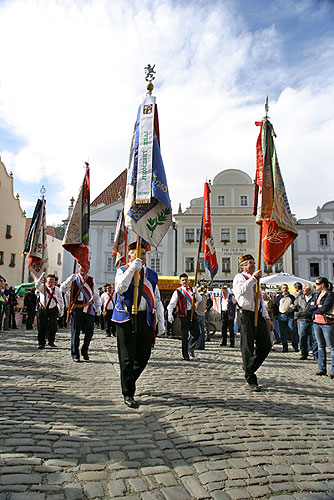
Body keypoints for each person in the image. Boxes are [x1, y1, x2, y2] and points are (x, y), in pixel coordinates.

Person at [112, 241, 165, 408]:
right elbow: (120, 288)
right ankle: (128, 392)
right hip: (126, 317)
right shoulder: (122, 270)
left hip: (145, 318)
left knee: (143, 356)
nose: (141, 257)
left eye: (143, 254)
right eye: (138, 254)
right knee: (127, 358)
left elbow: (156, 299)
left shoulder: (151, 274)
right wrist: (132, 269)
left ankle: (128, 380)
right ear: (130, 255)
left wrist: (161, 321)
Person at [233, 254, 273, 391]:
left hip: (258, 314)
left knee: (266, 345)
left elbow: (260, 300)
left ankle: (249, 367)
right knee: (247, 346)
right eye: (250, 263)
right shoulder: (239, 278)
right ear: (243, 266)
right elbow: (240, 292)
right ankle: (251, 378)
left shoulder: (256, 280)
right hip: (245, 314)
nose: (253, 265)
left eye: (254, 262)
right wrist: (253, 279)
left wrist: (267, 317)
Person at [61, 264, 101, 362]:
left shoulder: (91, 280)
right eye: (81, 267)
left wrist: (98, 306)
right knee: (75, 332)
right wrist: (69, 280)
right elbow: (62, 289)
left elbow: (95, 294)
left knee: (89, 331)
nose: (83, 269)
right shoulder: (74, 279)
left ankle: (84, 350)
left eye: (85, 267)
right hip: (76, 308)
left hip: (88, 307)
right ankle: (75, 353)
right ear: (78, 268)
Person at [167, 273, 202, 360]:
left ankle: (190, 347)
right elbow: (171, 304)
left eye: (186, 280)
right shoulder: (178, 291)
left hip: (192, 314)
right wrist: (169, 314)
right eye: (183, 280)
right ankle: (185, 354)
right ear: (180, 281)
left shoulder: (191, 289)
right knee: (185, 335)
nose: (185, 282)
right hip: (183, 315)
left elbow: (200, 299)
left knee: (197, 333)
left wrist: (196, 292)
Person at [309, 277, 334, 378]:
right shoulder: (316, 294)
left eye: (317, 284)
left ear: (323, 284)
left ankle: (333, 369)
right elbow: (309, 307)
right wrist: (317, 307)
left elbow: (325, 308)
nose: (316, 285)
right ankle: (321, 368)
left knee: (331, 347)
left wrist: (316, 307)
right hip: (316, 322)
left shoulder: (330, 295)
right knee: (320, 346)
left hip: (327, 323)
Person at [35, 273, 64, 349]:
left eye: (52, 280)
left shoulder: (57, 289)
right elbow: (37, 285)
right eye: (49, 280)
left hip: (53, 309)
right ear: (46, 280)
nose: (51, 281)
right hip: (43, 308)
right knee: (41, 326)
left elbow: (60, 300)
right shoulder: (42, 287)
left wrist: (61, 309)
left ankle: (51, 341)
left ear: (55, 281)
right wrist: (41, 277)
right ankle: (41, 343)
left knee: (53, 326)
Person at [274, 284, 298, 352]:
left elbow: (295, 305)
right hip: (281, 315)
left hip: (290, 314)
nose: (285, 289)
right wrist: (276, 314)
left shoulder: (291, 297)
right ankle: (285, 347)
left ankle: (295, 346)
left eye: (286, 288)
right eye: (283, 288)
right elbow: (275, 306)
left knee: (292, 331)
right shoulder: (278, 297)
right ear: (281, 289)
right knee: (282, 332)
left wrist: (293, 307)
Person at [294, 284, 315, 360]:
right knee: (302, 337)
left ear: (309, 290)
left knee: (314, 337)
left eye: (305, 289)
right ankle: (303, 353)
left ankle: (315, 354)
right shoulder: (300, 297)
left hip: (312, 319)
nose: (303, 291)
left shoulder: (314, 297)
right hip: (302, 319)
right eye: (303, 289)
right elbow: (297, 307)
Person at [196, 285, 208, 350]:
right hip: (202, 314)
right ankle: (202, 345)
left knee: (197, 330)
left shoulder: (199, 297)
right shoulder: (205, 297)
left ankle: (197, 344)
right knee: (202, 331)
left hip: (198, 314)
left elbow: (196, 306)